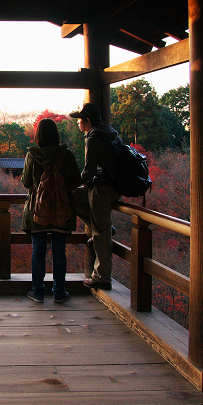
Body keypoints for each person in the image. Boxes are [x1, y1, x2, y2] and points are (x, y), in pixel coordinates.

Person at [21, 118, 82, 303]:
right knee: (59, 251)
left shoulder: (32, 155)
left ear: (38, 135)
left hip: (37, 211)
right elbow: (75, 182)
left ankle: (38, 291)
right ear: (56, 134)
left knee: (38, 251)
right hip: (62, 211)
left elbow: (26, 182)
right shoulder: (67, 155)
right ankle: (59, 292)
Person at [69, 103, 122, 290]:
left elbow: (88, 172)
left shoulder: (94, 138)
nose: (78, 123)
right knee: (74, 196)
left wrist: (69, 181)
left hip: (102, 189)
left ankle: (102, 277)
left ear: (88, 120)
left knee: (100, 233)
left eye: (79, 120)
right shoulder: (111, 133)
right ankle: (106, 228)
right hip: (115, 187)